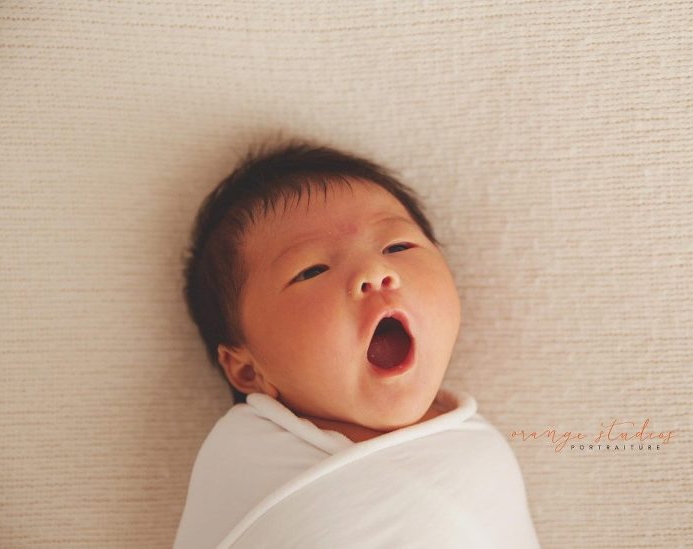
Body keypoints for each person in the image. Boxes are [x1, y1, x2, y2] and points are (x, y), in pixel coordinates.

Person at [175, 139, 540, 549]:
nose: (374, 271)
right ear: (247, 369)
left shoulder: (480, 449)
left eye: (397, 246)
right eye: (312, 270)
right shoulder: (244, 458)